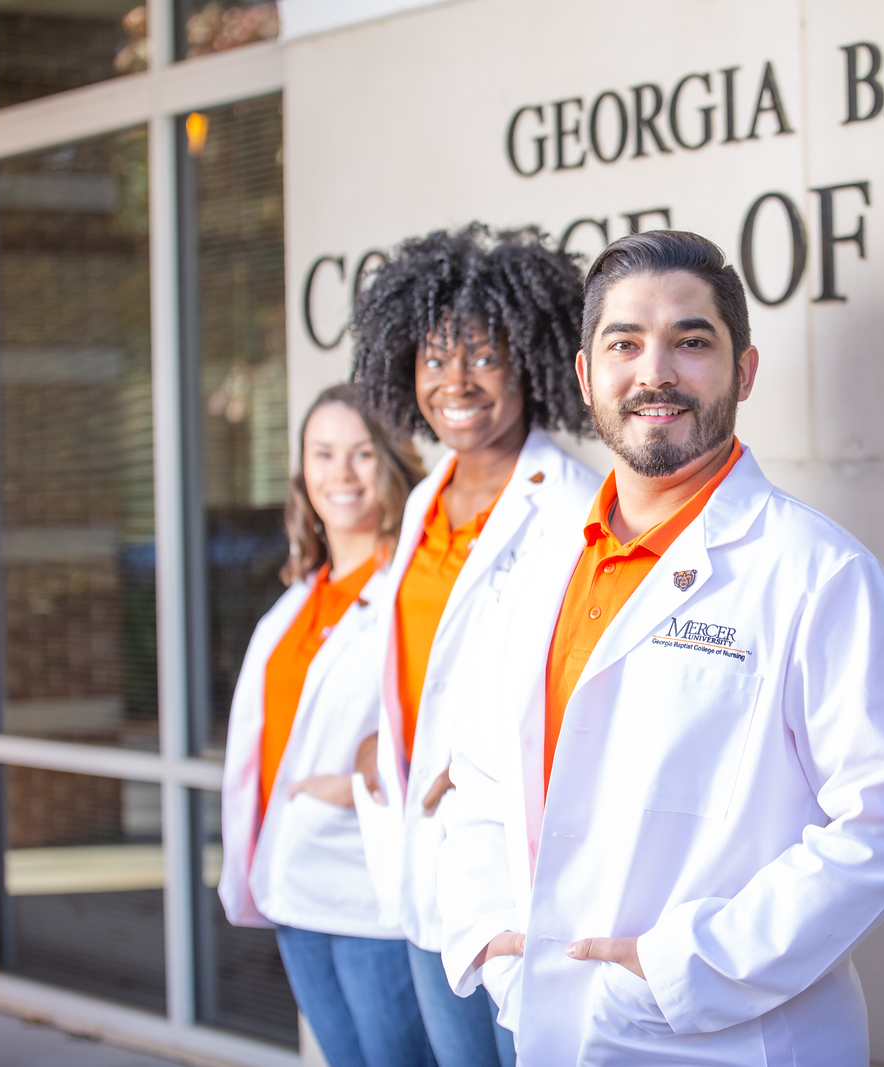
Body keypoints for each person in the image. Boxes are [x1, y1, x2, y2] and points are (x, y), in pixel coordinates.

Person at [435, 230, 884, 1065]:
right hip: (547, 1024)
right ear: (585, 375)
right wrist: (492, 941)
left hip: (724, 1037)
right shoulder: (540, 568)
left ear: (743, 371)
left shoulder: (818, 574)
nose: (655, 372)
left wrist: (685, 970)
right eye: (625, 344)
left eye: (691, 341)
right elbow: (478, 777)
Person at [348, 223, 602, 1066]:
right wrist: (391, 727)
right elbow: (420, 652)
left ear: (529, 362)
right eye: (432, 357)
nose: (454, 381)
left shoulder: (572, 505)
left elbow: (589, 673)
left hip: (510, 853)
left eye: (483, 357)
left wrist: (480, 757)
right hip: (426, 850)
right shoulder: (426, 502)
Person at [218, 383, 431, 1067]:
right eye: (323, 453)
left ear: (393, 464)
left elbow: (449, 715)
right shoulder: (299, 601)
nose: (340, 472)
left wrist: (358, 782)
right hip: (294, 885)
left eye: (362, 453)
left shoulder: (415, 586)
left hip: (370, 892)